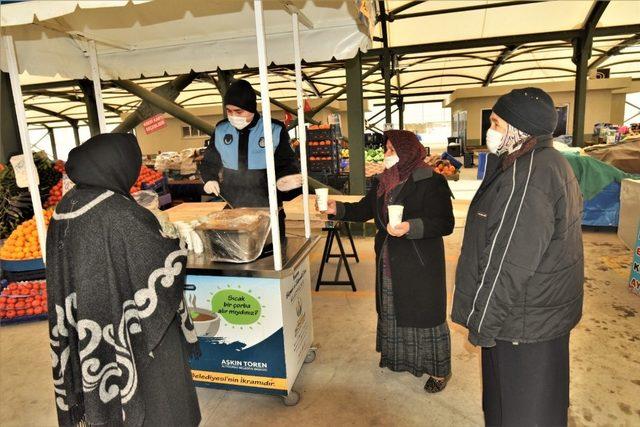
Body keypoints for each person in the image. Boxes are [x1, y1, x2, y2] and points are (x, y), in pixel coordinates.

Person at [46, 133, 201, 427]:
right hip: (135, 330)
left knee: (110, 387)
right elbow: (158, 260)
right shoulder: (118, 211)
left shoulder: (66, 205)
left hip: (91, 318)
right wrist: (174, 239)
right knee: (162, 398)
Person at [451, 88, 584, 426]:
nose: (490, 132)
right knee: (535, 407)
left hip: (520, 322)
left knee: (519, 411)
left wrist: (481, 324)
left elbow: (507, 263)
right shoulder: (546, 163)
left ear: (518, 128)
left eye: (496, 123)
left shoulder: (527, 177)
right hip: (539, 316)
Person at [323, 130, 455, 392]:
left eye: (392, 150)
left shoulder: (431, 180)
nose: (386, 155)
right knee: (394, 310)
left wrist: (411, 227)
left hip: (420, 263)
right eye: (386, 149)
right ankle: (400, 359)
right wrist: (337, 208)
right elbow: (363, 209)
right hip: (389, 259)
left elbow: (445, 222)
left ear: (407, 152)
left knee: (423, 316)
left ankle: (440, 372)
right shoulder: (384, 181)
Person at [199, 79, 302, 235]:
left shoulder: (273, 129)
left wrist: (284, 179)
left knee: (272, 251)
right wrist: (209, 178)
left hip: (267, 204)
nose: (233, 116)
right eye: (229, 111)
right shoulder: (221, 130)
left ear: (252, 108)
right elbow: (209, 161)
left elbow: (286, 163)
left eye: (239, 111)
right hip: (233, 204)